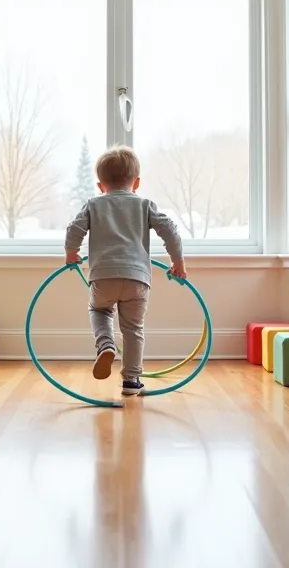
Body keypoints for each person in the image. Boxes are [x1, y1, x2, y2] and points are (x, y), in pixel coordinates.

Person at [65, 146, 186, 396]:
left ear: (100, 186)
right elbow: (171, 231)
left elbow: (73, 229)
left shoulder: (93, 205)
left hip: (103, 276)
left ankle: (106, 345)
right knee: (133, 329)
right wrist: (178, 262)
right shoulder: (145, 205)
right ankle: (131, 381)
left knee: (99, 310)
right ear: (137, 182)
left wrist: (71, 253)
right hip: (137, 279)